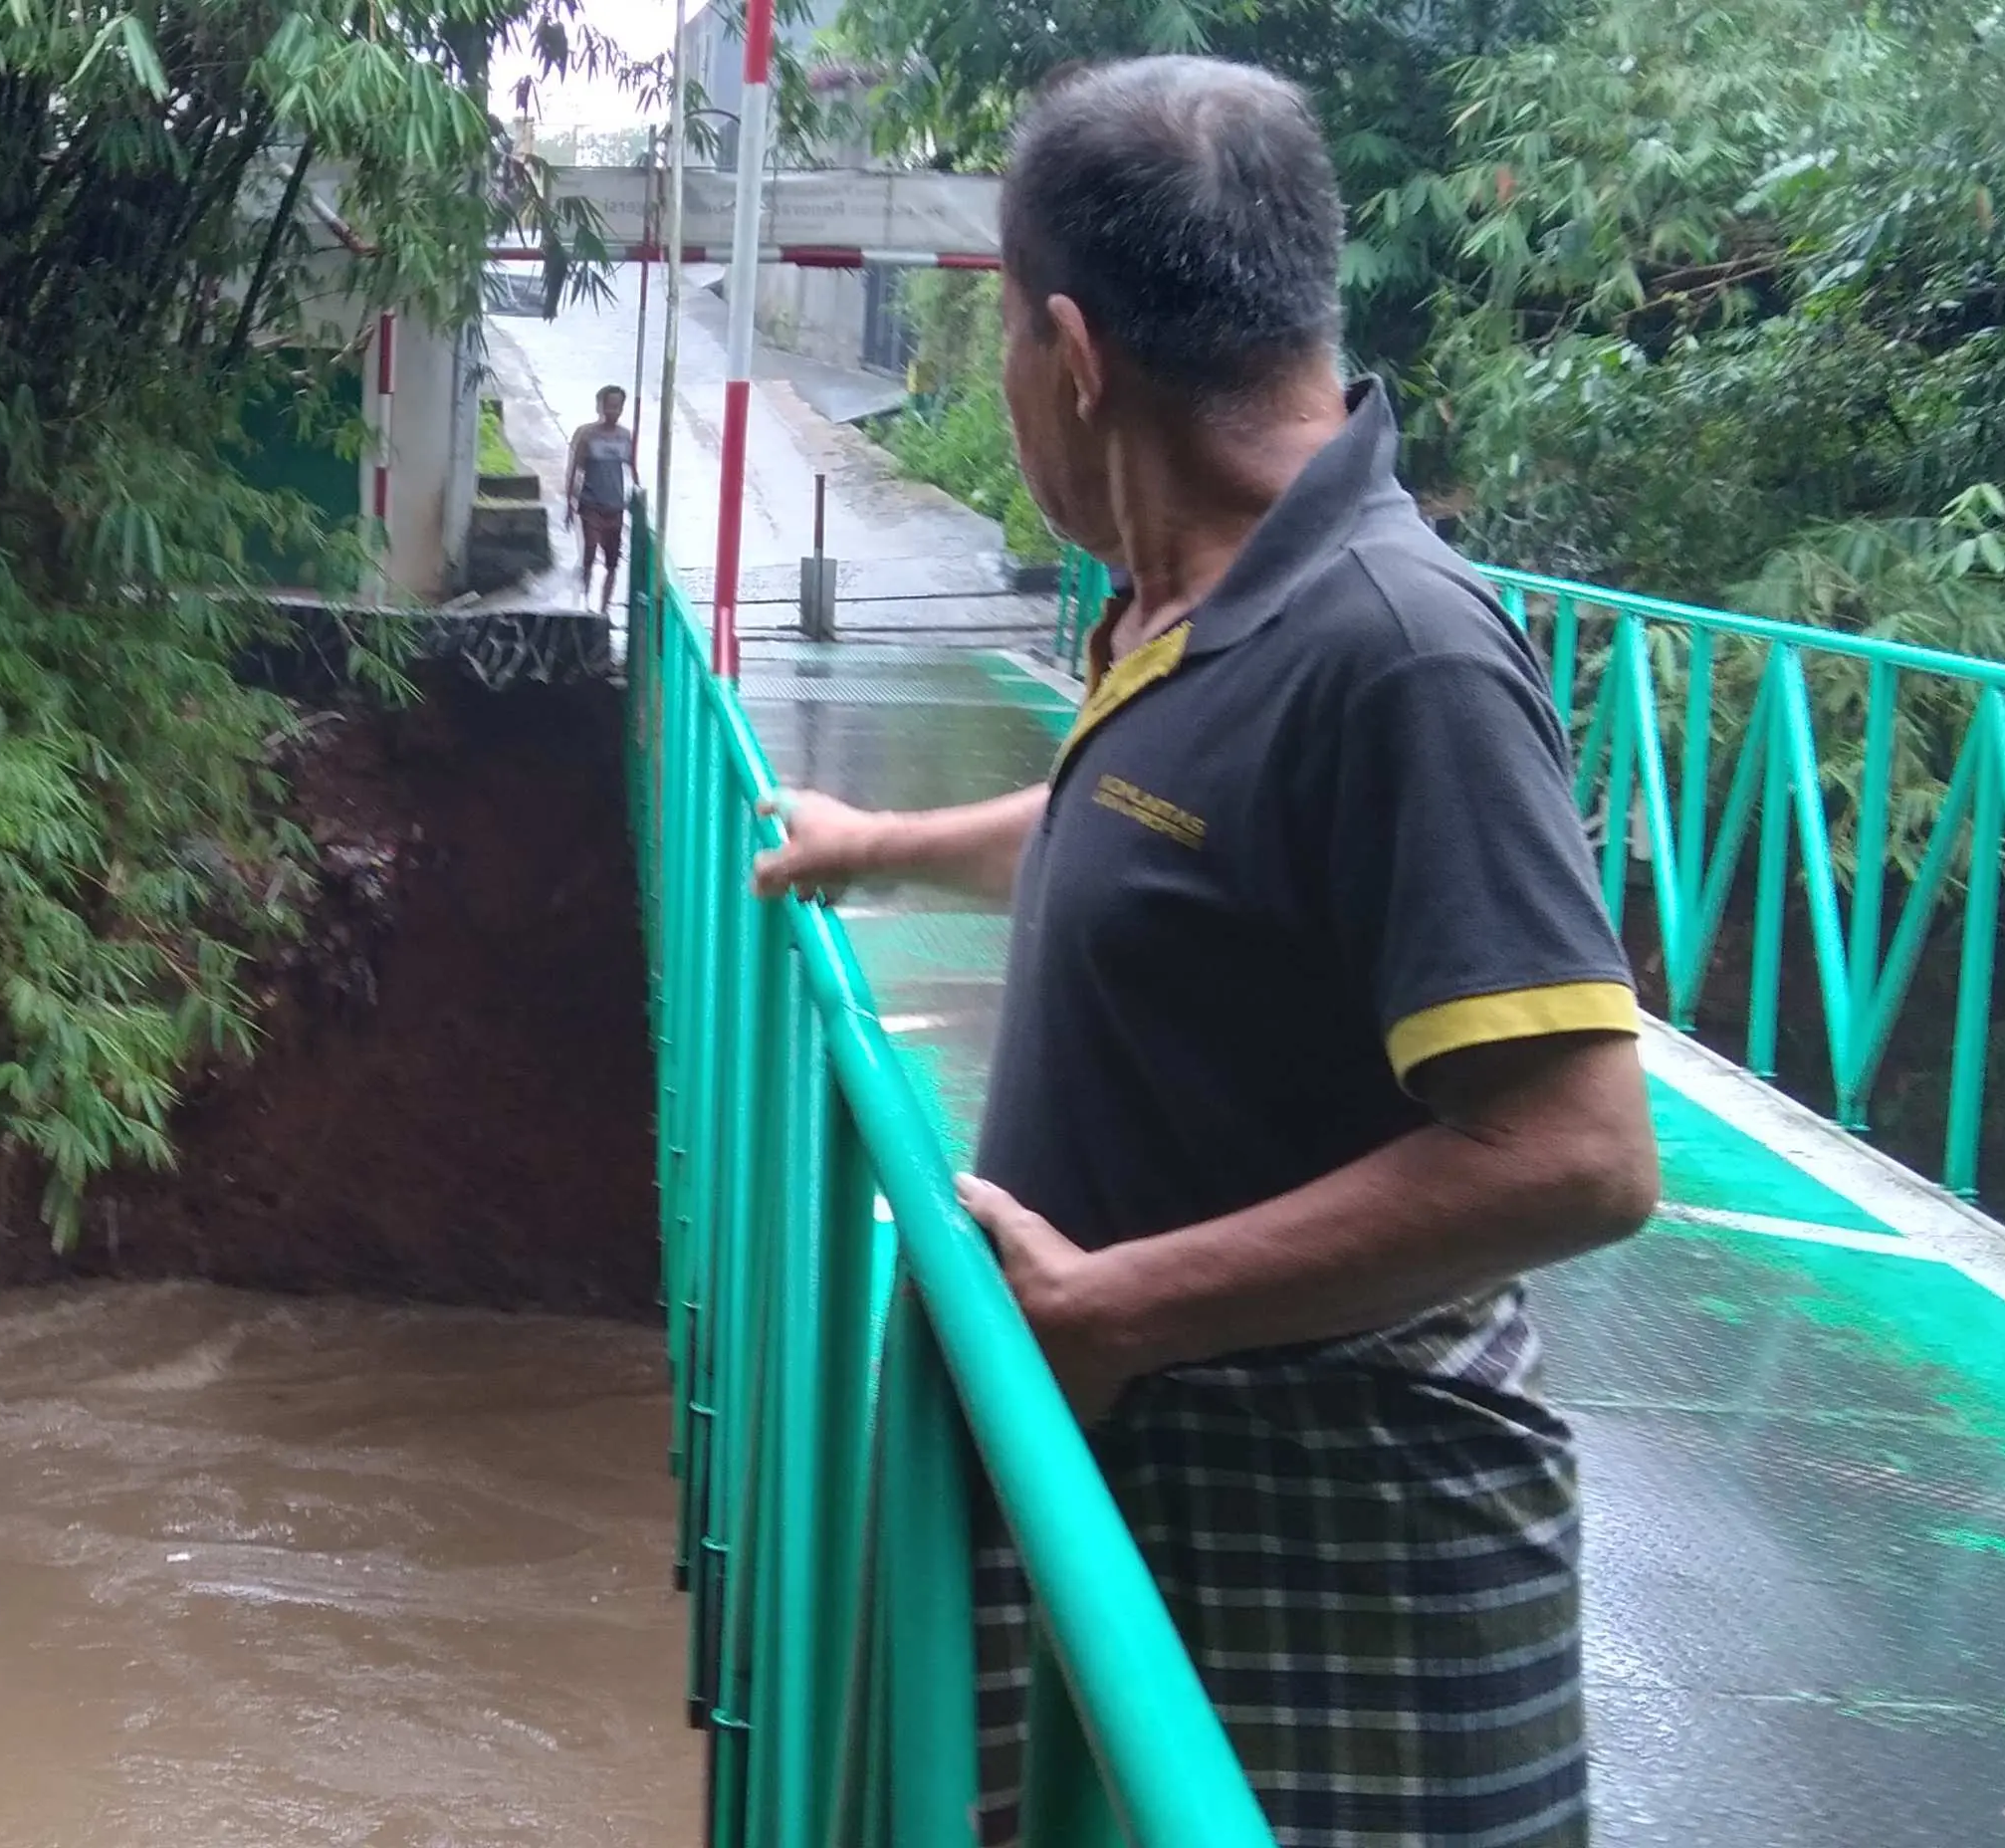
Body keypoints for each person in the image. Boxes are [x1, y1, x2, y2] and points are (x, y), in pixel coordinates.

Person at [750, 56, 1658, 1848]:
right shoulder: (1188, 606)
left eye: (1004, 339)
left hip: (1336, 1531)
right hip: (1145, 1478)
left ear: (1070, 358)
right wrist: (881, 850)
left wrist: (1116, 1310)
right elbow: (1150, 846)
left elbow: (1576, 1152)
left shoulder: (1393, 647)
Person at [565, 385, 639, 610]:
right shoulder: (587, 436)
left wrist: (638, 495)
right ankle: (586, 602)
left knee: (612, 561)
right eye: (608, 405)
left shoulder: (625, 437)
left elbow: (632, 469)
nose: (612, 410)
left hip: (615, 506)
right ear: (599, 406)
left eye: (617, 406)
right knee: (589, 554)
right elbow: (575, 470)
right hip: (590, 504)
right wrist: (570, 503)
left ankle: (604, 608)